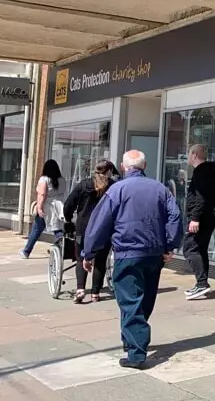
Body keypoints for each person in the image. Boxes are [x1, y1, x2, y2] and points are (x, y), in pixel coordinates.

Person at [82, 150, 182, 369]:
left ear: (123, 166)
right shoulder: (160, 189)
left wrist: (89, 252)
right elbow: (174, 216)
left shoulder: (116, 190)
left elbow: (99, 223)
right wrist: (170, 245)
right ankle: (131, 339)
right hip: (154, 254)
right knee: (145, 299)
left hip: (128, 253)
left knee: (130, 301)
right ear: (144, 166)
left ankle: (136, 353)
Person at [63, 160, 117, 304]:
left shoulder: (83, 185)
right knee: (100, 259)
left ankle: (80, 289)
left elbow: (68, 205)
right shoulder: (113, 186)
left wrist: (68, 219)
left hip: (83, 227)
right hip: (104, 228)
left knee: (81, 257)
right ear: (109, 171)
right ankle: (95, 293)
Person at [182, 144, 215, 300]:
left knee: (190, 249)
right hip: (208, 218)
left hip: (201, 219)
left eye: (189, 154)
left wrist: (195, 218)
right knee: (200, 250)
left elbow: (202, 198)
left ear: (194, 155)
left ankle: (202, 284)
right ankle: (201, 283)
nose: (188, 157)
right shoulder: (209, 172)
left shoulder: (201, 173)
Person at [19, 159, 65, 258]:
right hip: (59, 207)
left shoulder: (44, 179)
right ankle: (62, 248)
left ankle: (26, 251)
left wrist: (39, 208)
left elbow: (42, 194)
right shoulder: (62, 179)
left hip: (46, 207)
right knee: (57, 228)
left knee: (36, 230)